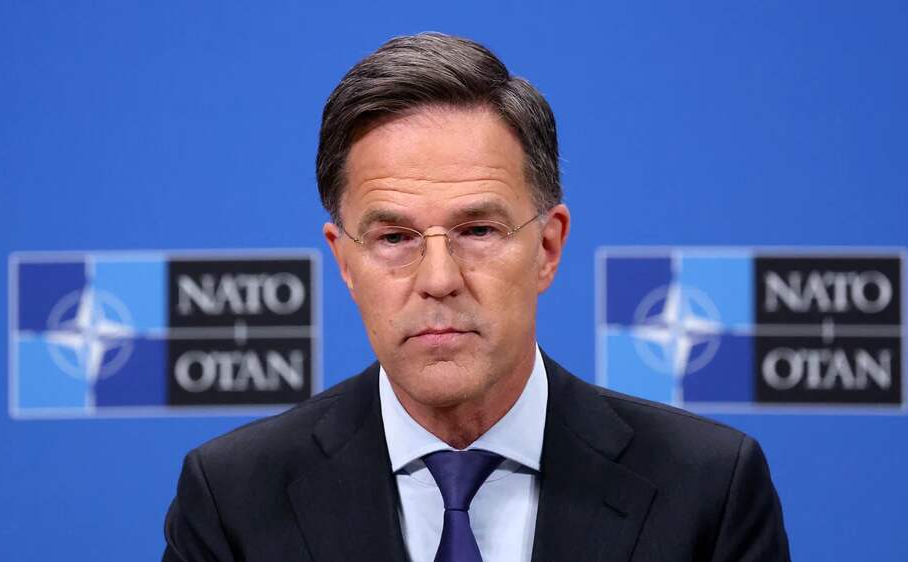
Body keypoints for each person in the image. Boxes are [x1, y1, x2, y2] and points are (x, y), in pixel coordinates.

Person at [163, 32, 790, 562]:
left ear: (548, 247)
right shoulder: (232, 501)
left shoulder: (708, 488)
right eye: (394, 237)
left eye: (478, 230)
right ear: (344, 261)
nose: (439, 278)